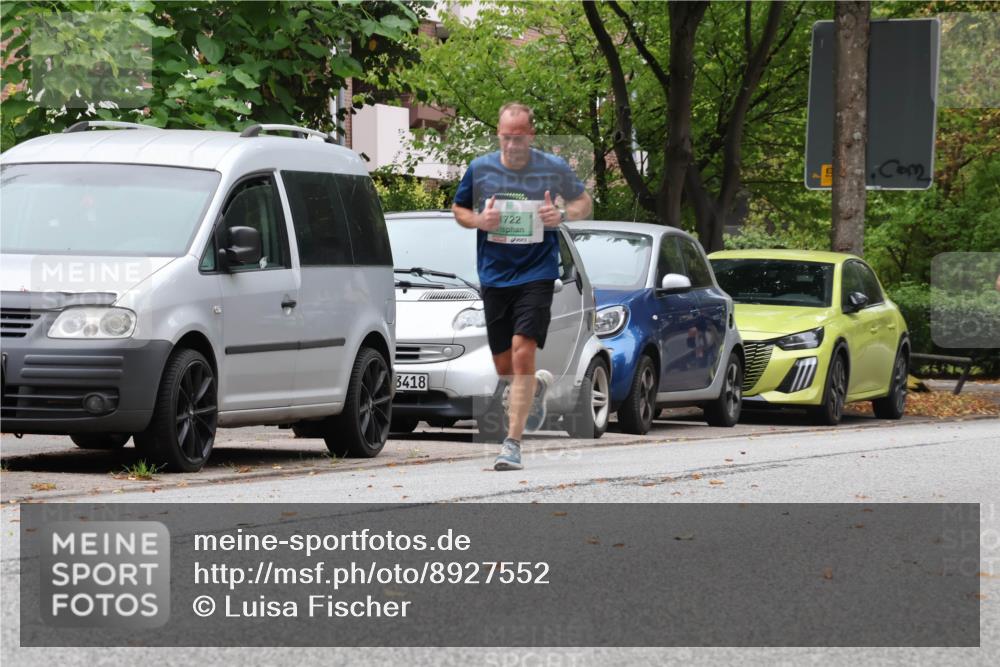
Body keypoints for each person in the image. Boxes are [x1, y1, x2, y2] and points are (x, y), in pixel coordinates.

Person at [452, 102, 593, 471]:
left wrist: (561, 215)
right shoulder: (480, 168)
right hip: (495, 276)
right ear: (498, 134)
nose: (512, 144)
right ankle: (535, 389)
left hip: (537, 274)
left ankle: (511, 444)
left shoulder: (551, 168)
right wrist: (479, 220)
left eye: (518, 137)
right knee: (505, 367)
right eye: (505, 137)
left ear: (531, 134)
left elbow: (583, 202)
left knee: (521, 351)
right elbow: (459, 210)